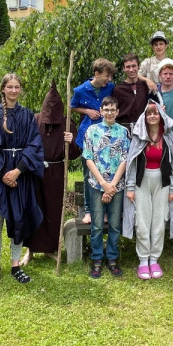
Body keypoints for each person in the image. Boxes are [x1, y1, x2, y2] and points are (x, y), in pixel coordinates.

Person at [0, 73, 45, 288]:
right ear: (3, 89)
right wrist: (3, 175)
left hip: (20, 175)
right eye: (10, 87)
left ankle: (16, 266)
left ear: (21, 90)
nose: (14, 91)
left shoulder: (27, 115)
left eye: (17, 87)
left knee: (19, 218)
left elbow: (34, 145)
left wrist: (18, 171)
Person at [20, 82, 81, 266]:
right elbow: (25, 145)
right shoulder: (34, 120)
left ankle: (50, 248)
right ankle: (30, 250)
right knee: (34, 208)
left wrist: (71, 142)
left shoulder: (68, 124)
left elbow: (75, 154)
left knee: (54, 211)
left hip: (56, 173)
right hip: (35, 171)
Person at [123, 101, 173, 280]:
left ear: (161, 115)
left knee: (159, 221)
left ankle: (154, 259)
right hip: (141, 182)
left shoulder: (169, 136)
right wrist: (130, 187)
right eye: (149, 113)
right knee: (142, 222)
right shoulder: (139, 136)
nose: (152, 116)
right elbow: (131, 163)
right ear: (145, 117)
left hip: (162, 183)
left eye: (155, 113)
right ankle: (143, 260)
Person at [82, 96, 130, 279]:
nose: (109, 113)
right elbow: (88, 158)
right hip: (97, 184)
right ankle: (96, 259)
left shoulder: (123, 132)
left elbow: (125, 159)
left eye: (113, 110)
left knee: (115, 225)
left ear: (117, 112)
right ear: (101, 111)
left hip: (116, 185)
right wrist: (103, 183)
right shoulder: (92, 131)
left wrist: (112, 185)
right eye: (106, 110)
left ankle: (112, 258)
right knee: (96, 226)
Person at [71, 58, 116, 224]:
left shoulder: (110, 88)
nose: (109, 80)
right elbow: (72, 107)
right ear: (96, 74)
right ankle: (88, 211)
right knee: (88, 175)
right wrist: (87, 111)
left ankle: (104, 211)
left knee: (106, 173)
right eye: (106, 76)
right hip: (88, 138)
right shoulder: (80, 90)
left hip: (107, 137)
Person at [113, 53, 151, 132]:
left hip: (142, 129)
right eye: (128, 67)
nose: (131, 70)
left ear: (138, 67)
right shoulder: (118, 89)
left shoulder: (145, 86)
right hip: (123, 130)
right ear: (124, 69)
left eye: (134, 66)